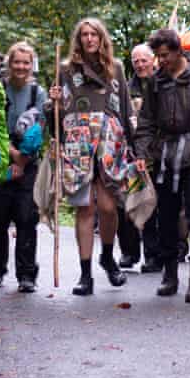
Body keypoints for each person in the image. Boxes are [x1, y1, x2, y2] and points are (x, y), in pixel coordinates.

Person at [134, 28, 190, 303]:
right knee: (167, 216)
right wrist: (142, 151)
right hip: (165, 153)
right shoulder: (155, 82)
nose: (161, 61)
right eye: (158, 56)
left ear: (178, 51)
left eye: (165, 55)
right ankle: (170, 273)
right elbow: (147, 120)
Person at [47, 17, 133, 296]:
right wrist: (54, 103)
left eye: (93, 34)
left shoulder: (115, 68)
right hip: (78, 143)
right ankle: (86, 275)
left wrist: (134, 148)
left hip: (109, 142)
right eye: (84, 34)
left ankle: (107, 256)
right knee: (84, 207)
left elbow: (125, 109)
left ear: (101, 38)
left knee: (109, 207)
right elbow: (56, 116)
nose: (89, 39)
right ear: (79, 39)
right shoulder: (66, 70)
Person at [0, 44, 46, 293]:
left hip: (29, 159)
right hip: (0, 155)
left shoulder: (38, 93)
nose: (21, 67)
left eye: (26, 63)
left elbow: (41, 126)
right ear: (9, 63)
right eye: (17, 62)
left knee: (26, 218)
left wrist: (23, 159)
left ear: (32, 65)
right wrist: (12, 156)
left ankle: (27, 274)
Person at [116, 43, 162, 273]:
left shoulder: (162, 84)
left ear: (153, 60)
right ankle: (129, 252)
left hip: (158, 154)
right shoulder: (126, 87)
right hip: (131, 154)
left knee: (153, 205)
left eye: (144, 60)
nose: (141, 65)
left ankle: (153, 256)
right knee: (128, 203)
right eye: (136, 61)